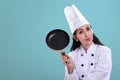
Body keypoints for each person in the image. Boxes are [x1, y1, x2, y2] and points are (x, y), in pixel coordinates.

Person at [61, 4, 112, 80]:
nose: (87, 34)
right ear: (75, 37)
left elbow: (101, 76)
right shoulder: (71, 56)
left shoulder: (104, 51)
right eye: (81, 32)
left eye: (88, 29)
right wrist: (70, 68)